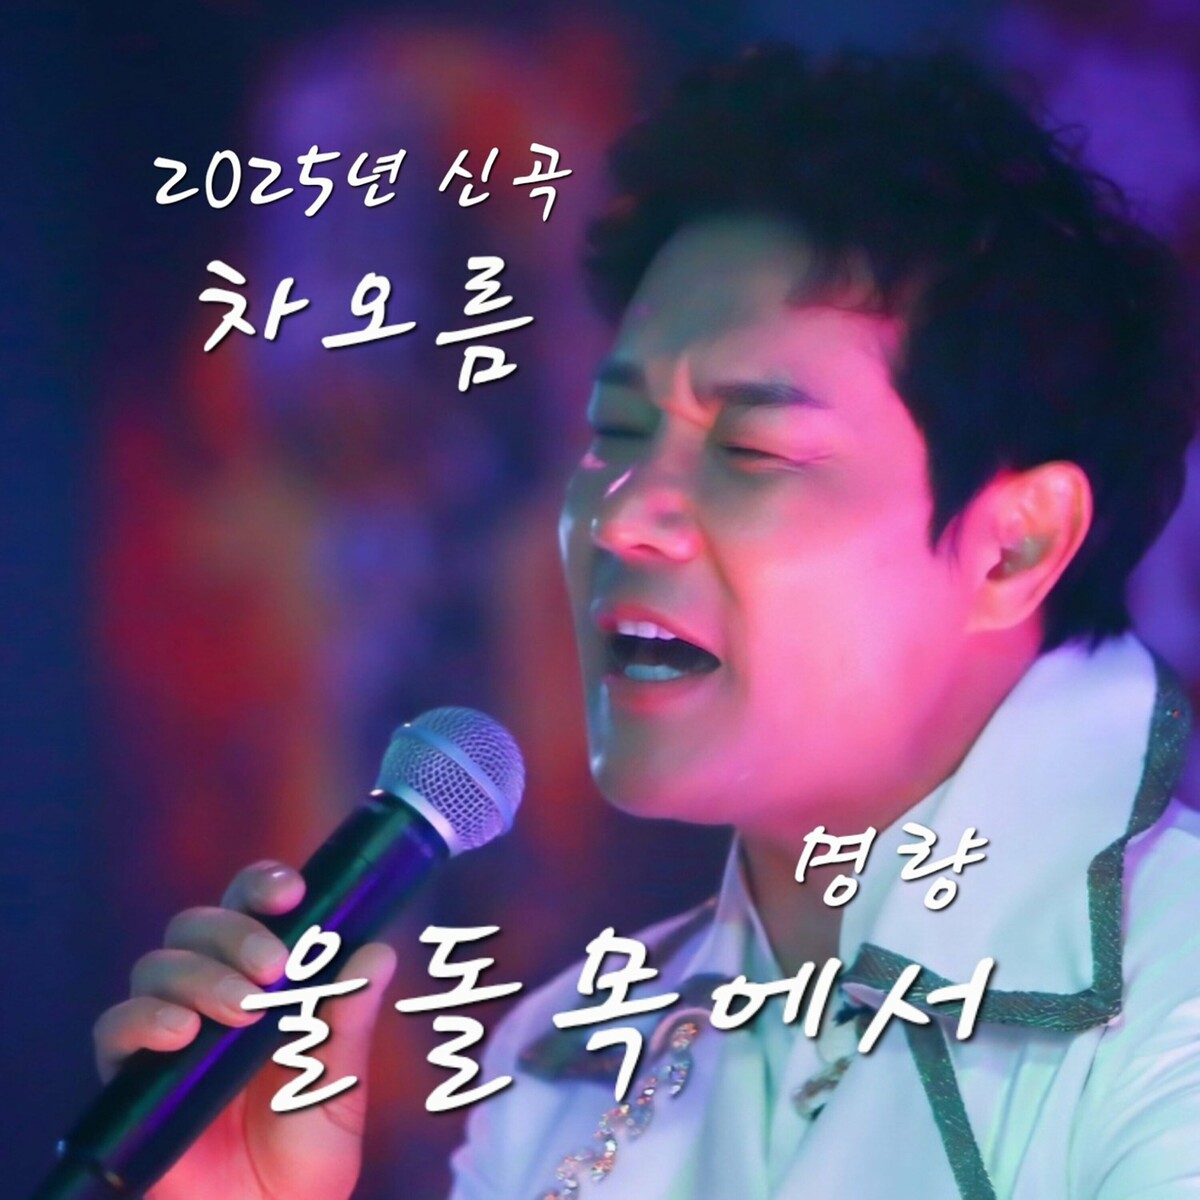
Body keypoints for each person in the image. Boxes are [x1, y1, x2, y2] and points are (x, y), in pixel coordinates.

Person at [92, 45, 1199, 1199]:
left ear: (1014, 545)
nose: (622, 517)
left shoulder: (1174, 997)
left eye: (752, 449)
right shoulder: (562, 1066)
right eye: (615, 435)